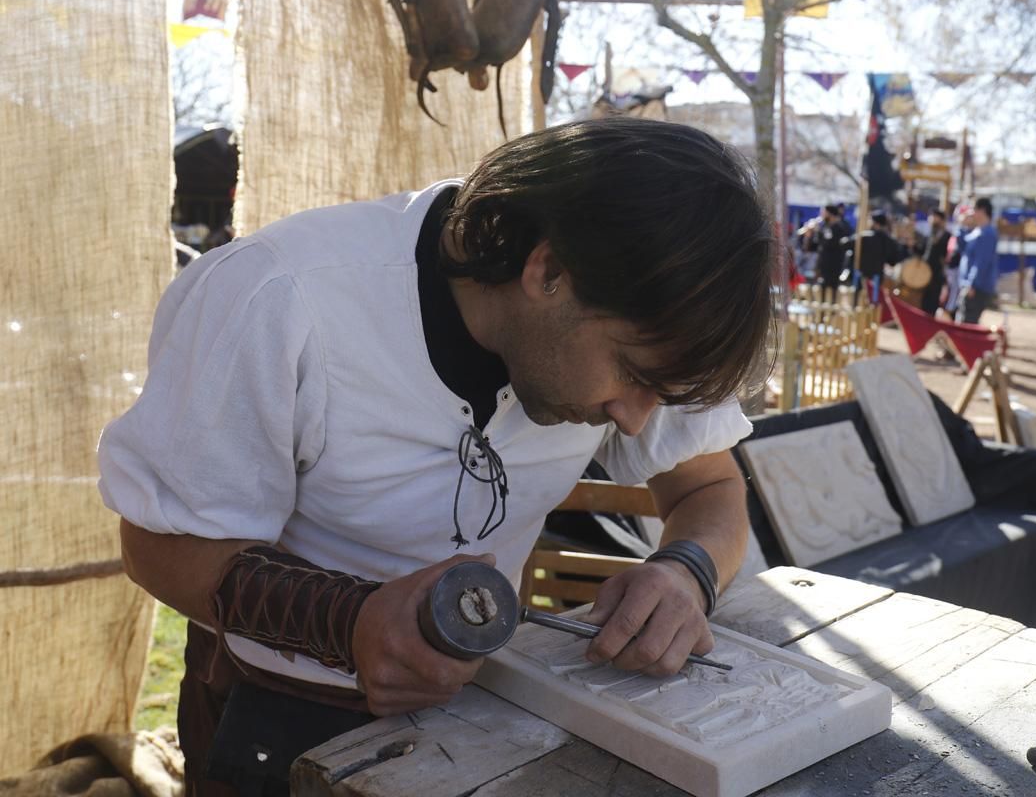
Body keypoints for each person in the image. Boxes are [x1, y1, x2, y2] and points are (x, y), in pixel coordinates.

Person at [96, 118, 774, 795]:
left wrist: (685, 573)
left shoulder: (656, 312)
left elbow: (707, 492)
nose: (633, 420)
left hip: (486, 708)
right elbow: (158, 545)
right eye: (628, 373)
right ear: (548, 271)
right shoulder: (279, 297)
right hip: (272, 714)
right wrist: (346, 621)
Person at [956, 197, 999, 324]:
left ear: (982, 211)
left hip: (976, 288)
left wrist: (972, 284)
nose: (971, 213)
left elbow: (981, 262)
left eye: (974, 209)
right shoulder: (977, 231)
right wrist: (962, 226)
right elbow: (963, 247)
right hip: (969, 285)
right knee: (963, 321)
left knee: (967, 323)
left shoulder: (987, 233)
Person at [852, 210, 906, 303]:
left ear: (875, 222)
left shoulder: (865, 236)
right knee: (872, 301)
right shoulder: (889, 240)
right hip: (876, 275)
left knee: (860, 301)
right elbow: (893, 260)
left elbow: (845, 243)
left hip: (863, 274)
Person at [803, 203, 850, 302]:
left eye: (823, 213)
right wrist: (809, 235)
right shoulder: (825, 227)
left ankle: (829, 314)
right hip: (822, 265)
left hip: (833, 266)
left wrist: (818, 231)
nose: (821, 216)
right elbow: (814, 246)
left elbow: (830, 244)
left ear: (830, 214)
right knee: (820, 292)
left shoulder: (840, 228)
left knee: (830, 292)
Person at [920, 209, 950, 316]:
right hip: (925, 273)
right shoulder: (930, 234)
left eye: (934, 217)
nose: (931, 220)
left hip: (937, 274)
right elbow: (923, 251)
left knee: (933, 301)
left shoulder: (946, 235)